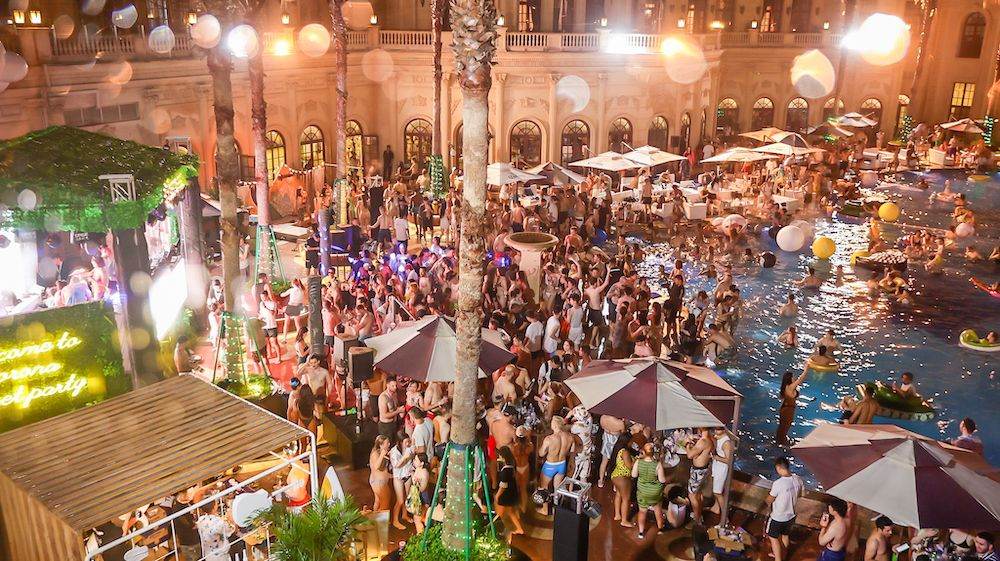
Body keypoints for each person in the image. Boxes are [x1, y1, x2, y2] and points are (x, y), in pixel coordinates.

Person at [765, 457, 803, 561]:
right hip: (791, 515)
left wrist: (766, 502)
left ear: (778, 467)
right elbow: (800, 495)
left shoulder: (778, 483)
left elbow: (769, 499)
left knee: (773, 538)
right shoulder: (798, 479)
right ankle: (783, 556)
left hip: (778, 517)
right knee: (785, 536)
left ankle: (778, 558)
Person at [537, 416, 575, 515]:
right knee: (557, 488)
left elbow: (541, 454)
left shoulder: (549, 439)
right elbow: (572, 452)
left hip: (550, 465)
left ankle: (545, 509)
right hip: (562, 464)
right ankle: (556, 509)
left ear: (554, 425)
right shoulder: (570, 437)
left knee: (543, 487)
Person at [632, 442, 666, 539]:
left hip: (642, 492)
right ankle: (660, 529)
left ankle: (641, 532)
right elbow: (662, 480)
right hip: (655, 492)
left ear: (643, 451)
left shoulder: (638, 462)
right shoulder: (657, 464)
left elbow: (634, 475)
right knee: (658, 510)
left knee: (642, 512)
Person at [494, 447, 525, 540]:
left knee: (500, 513)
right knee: (510, 512)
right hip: (512, 493)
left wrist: (497, 495)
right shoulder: (512, 467)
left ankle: (497, 530)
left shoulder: (505, 470)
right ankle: (519, 529)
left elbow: (503, 485)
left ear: (503, 457)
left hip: (505, 495)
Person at [685, 427, 713, 524]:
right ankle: (699, 515)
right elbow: (697, 455)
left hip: (698, 472)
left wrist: (687, 444)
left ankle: (697, 521)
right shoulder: (709, 439)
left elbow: (690, 455)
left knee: (692, 495)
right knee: (698, 494)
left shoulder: (703, 441)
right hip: (702, 469)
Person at [390, 433, 415, 530]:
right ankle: (395, 520)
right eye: (406, 442)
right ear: (400, 442)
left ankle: (405, 515)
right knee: (400, 500)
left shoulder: (409, 448)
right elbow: (396, 465)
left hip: (408, 475)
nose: (408, 443)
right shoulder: (394, 451)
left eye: (409, 441)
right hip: (398, 477)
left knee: (407, 497)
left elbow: (412, 459)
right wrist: (405, 457)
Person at [776, 370, 807, 445]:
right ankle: (781, 443)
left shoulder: (786, 387)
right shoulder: (790, 387)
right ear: (790, 378)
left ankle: (779, 440)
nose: (795, 377)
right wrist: (806, 369)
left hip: (786, 408)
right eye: (793, 377)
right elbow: (800, 379)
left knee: (782, 426)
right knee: (785, 426)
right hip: (788, 410)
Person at [610, 439, 635, 528]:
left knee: (618, 495)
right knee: (626, 499)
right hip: (623, 477)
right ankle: (624, 521)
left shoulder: (620, 450)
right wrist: (637, 460)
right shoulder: (625, 452)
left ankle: (617, 515)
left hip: (616, 475)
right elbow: (629, 466)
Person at [710, 427, 733, 517]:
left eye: (718, 429)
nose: (716, 431)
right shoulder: (719, 437)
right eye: (715, 429)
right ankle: (716, 508)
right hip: (717, 465)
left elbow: (729, 460)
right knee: (717, 489)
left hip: (722, 468)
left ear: (724, 430)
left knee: (717, 492)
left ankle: (725, 517)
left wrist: (716, 457)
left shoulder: (726, 443)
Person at [598, 415, 626, 487]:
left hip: (606, 443)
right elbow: (623, 432)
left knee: (603, 462)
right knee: (616, 464)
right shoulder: (620, 423)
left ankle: (600, 480)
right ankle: (615, 485)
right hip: (615, 445)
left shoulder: (603, 417)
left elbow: (602, 427)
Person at [369, 435, 393, 512]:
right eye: (387, 443)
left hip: (381, 481)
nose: (389, 444)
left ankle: (375, 516)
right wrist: (382, 455)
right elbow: (376, 467)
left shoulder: (383, 452)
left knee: (378, 501)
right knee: (385, 504)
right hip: (378, 482)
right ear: (381, 445)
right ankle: (381, 518)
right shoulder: (375, 453)